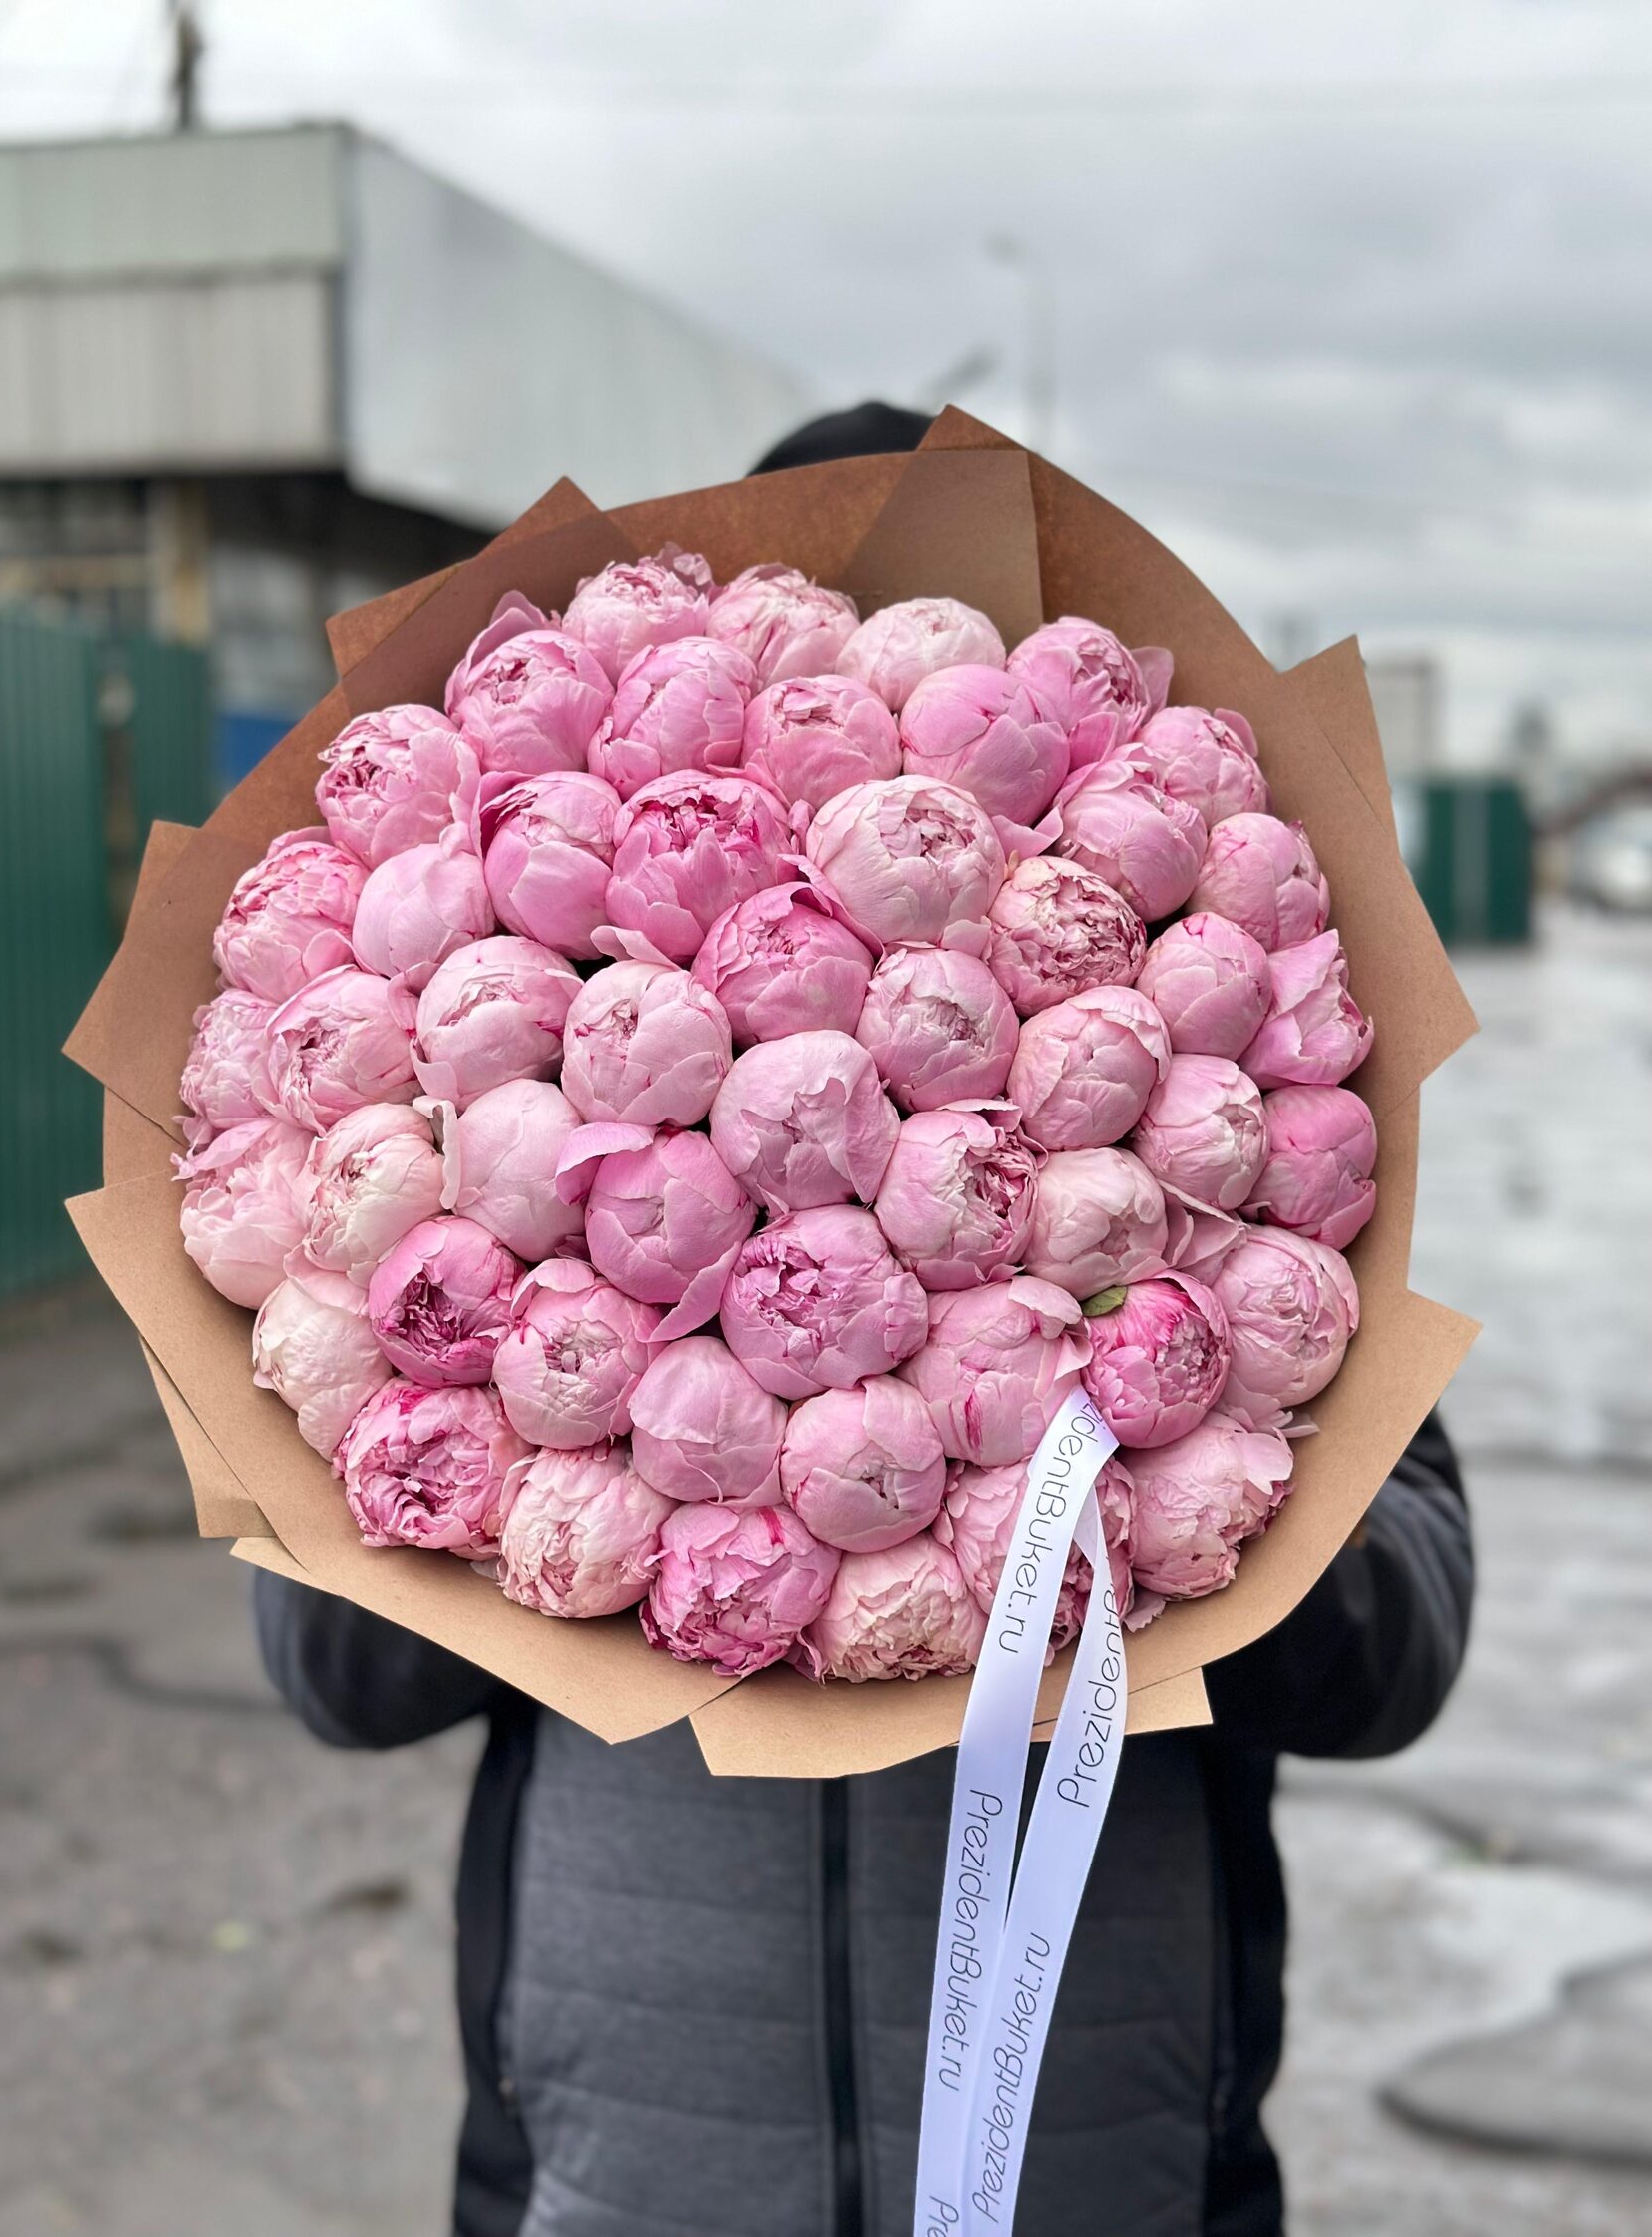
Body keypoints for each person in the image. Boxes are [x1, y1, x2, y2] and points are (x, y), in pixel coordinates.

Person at [255, 404, 1474, 2237]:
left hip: (1114, 2165)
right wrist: (471, 1452)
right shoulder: (492, 1108)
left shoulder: (1277, 1239)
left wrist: (1227, 1502)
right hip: (618, 2170)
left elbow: (1402, 1664)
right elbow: (335, 1683)